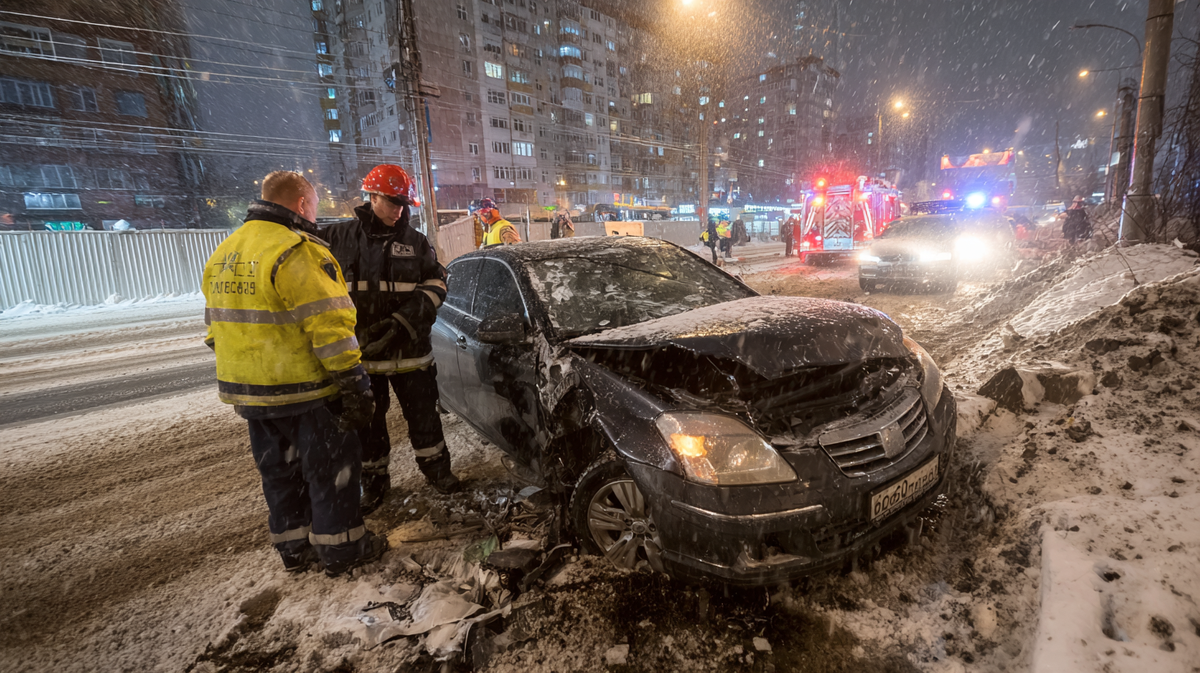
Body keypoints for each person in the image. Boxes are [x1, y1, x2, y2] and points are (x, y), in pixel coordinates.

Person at [202, 171, 386, 577]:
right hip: (304, 388)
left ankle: (295, 550)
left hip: (251, 394)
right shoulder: (296, 251)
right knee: (330, 470)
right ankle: (343, 550)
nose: (316, 213)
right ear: (302, 204)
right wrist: (354, 383)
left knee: (280, 474)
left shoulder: (225, 252)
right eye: (315, 205)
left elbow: (216, 329)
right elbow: (331, 326)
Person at [325, 164, 459, 514]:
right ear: (371, 197)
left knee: (425, 421)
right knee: (370, 428)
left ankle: (439, 473)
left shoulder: (415, 242)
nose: (399, 209)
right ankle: (375, 484)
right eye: (392, 201)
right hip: (363, 357)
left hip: (412, 354)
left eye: (403, 203)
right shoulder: (337, 238)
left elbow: (437, 284)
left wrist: (402, 322)